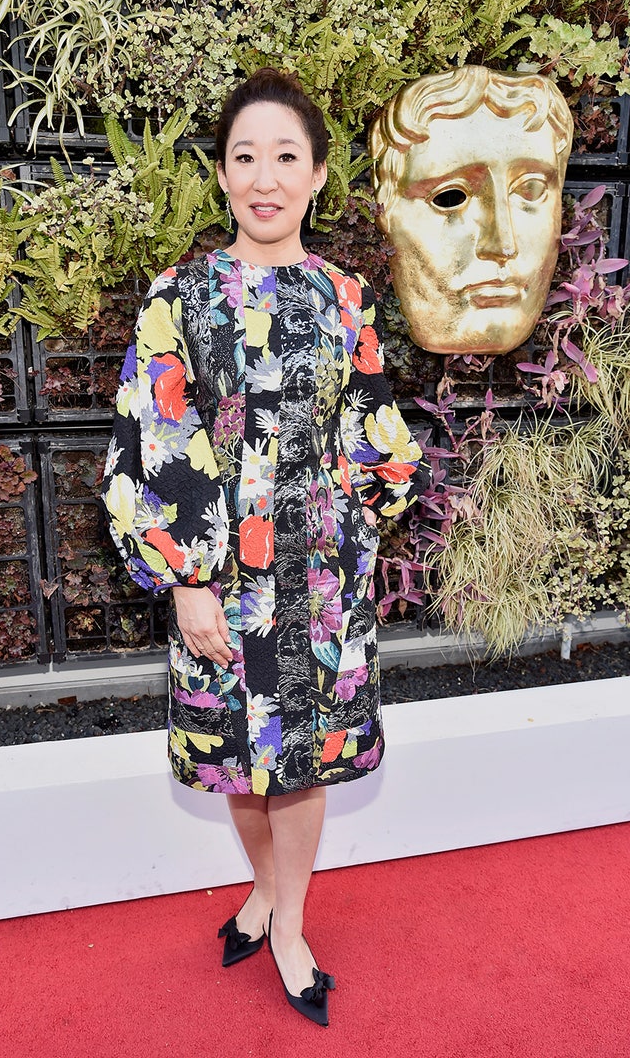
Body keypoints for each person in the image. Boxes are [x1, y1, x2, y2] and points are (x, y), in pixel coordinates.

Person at [102, 67, 430, 1027]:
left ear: (319, 175)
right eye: (245, 157)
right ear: (223, 175)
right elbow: (151, 439)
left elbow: (375, 429)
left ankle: (289, 924)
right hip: (220, 580)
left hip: (319, 582)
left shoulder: (347, 297)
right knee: (237, 758)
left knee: (303, 764)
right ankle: (264, 890)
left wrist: (370, 516)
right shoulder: (181, 296)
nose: (265, 177)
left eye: (286, 157)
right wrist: (185, 583)